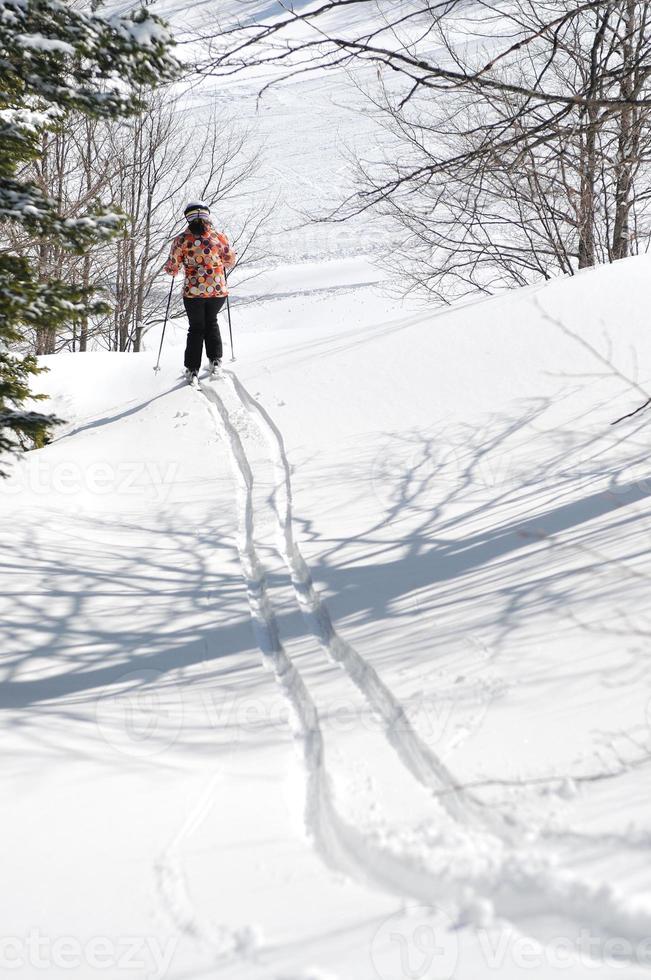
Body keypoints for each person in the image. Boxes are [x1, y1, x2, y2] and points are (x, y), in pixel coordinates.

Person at [164, 202, 236, 381]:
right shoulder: (219, 237)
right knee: (212, 322)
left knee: (196, 328)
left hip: (193, 292)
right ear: (207, 217)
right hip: (218, 290)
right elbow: (230, 259)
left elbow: (172, 267)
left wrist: (176, 269)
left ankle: (192, 369)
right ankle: (215, 361)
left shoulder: (181, 240)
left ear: (188, 218)